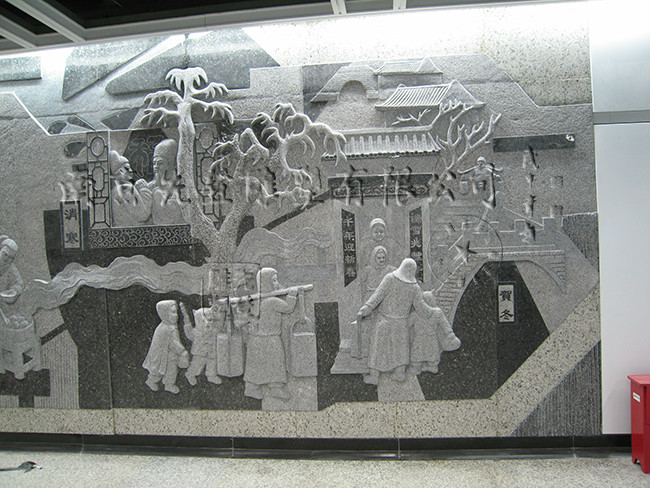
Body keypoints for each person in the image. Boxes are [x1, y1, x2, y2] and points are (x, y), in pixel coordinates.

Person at [358, 258, 443, 384]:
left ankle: (379, 375)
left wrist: (367, 307)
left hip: (388, 320)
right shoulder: (410, 285)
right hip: (397, 322)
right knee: (397, 348)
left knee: (383, 348)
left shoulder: (393, 279)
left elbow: (377, 296)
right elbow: (421, 309)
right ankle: (395, 374)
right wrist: (433, 311)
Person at [243, 268, 297, 400]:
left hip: (255, 339)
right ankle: (275, 387)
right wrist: (292, 295)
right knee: (276, 362)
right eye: (274, 280)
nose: (276, 283)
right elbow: (288, 308)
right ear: (266, 282)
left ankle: (251, 387)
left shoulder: (253, 300)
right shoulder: (272, 301)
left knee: (255, 363)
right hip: (271, 338)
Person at [356, 246, 396, 359]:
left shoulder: (391, 270)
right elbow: (361, 286)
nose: (381, 260)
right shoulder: (367, 270)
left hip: (386, 302)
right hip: (370, 300)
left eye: (383, 257)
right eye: (379, 258)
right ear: (374, 258)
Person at [408, 291, 460, 375]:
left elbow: (444, 324)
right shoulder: (416, 314)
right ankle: (420, 366)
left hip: (427, 338)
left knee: (430, 354)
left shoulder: (436, 313)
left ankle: (430, 366)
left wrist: (450, 334)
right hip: (422, 338)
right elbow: (407, 325)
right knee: (418, 355)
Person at [142, 300, 189, 394]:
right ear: (164, 314)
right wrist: (182, 351)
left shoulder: (171, 326)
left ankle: (169, 384)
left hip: (170, 354)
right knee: (158, 371)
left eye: (176, 312)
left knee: (172, 369)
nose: (176, 315)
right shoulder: (165, 328)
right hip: (162, 355)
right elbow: (173, 343)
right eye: (172, 312)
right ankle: (150, 381)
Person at [181, 301, 223, 386]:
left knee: (212, 362)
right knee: (197, 363)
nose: (207, 323)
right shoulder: (196, 332)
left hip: (211, 351)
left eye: (210, 320)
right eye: (203, 321)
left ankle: (211, 375)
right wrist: (187, 321)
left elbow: (219, 325)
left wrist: (219, 315)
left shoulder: (214, 331)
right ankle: (190, 374)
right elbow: (189, 333)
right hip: (199, 352)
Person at [109, 150, 152, 227]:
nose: (131, 171)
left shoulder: (114, 190)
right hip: (134, 231)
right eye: (128, 168)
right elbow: (142, 214)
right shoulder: (126, 188)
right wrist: (143, 189)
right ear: (120, 171)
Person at [147, 139, 184, 225]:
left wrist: (157, 195)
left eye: (160, 163)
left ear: (170, 164)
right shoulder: (151, 186)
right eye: (154, 163)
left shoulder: (179, 185)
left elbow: (174, 212)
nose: (156, 167)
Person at [0, 236, 23, 310]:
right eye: (5, 254)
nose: (7, 258)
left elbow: (19, 283)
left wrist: (14, 290)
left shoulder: (11, 268)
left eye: (10, 257)